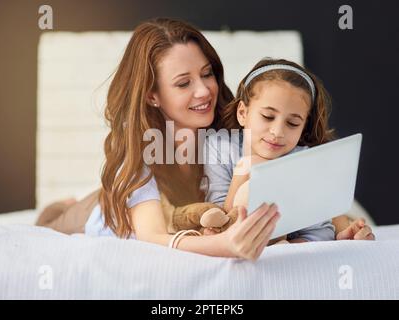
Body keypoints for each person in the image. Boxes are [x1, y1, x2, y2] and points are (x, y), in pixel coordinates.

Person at [36, 19, 373, 259]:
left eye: (207, 73)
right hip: (99, 212)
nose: (204, 91)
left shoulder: (236, 134)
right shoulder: (143, 153)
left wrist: (340, 227)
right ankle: (61, 206)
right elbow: (153, 237)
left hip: (164, 204)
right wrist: (224, 246)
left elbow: (295, 196)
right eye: (183, 83)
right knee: (54, 221)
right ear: (153, 96)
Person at [202, 58, 375, 242]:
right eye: (268, 117)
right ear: (243, 113)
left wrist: (339, 237)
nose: (277, 132)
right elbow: (220, 220)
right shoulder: (219, 146)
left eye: (292, 123)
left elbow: (320, 230)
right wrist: (245, 170)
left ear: (303, 126)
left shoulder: (305, 160)